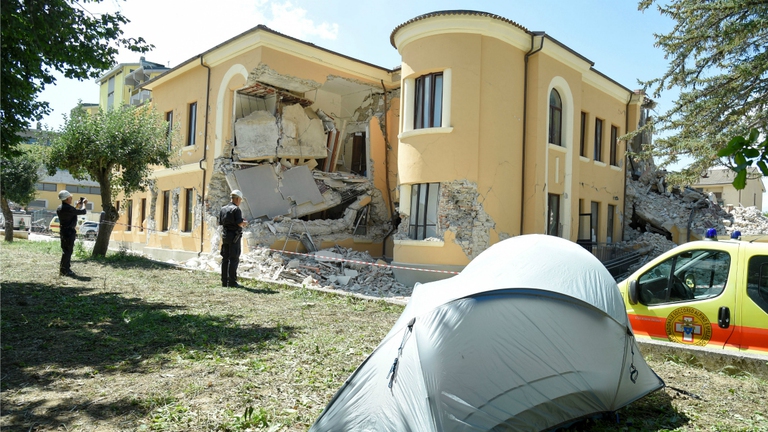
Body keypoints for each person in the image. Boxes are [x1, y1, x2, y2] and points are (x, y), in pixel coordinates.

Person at [219, 189, 248, 287]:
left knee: (225, 258)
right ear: (237, 199)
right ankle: (232, 282)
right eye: (240, 200)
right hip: (234, 236)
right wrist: (244, 223)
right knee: (234, 258)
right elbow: (239, 223)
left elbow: (221, 222)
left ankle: (224, 281)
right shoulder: (236, 209)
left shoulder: (223, 209)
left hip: (225, 235)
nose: (240, 202)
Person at [56, 190, 87, 277]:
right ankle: (65, 270)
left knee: (66, 250)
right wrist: (84, 204)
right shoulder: (68, 208)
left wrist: (77, 206)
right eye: (70, 197)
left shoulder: (60, 207)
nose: (71, 198)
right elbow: (83, 211)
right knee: (68, 251)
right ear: (66, 199)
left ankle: (65, 268)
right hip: (69, 231)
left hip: (63, 231)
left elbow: (72, 212)